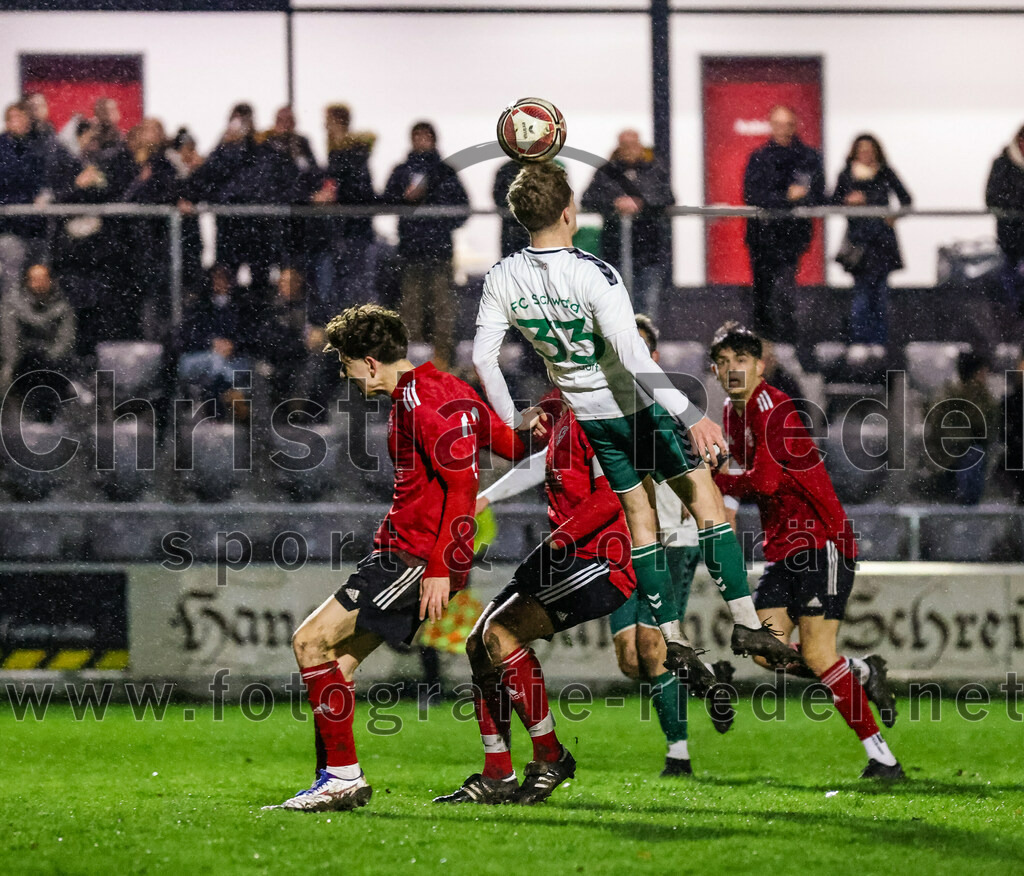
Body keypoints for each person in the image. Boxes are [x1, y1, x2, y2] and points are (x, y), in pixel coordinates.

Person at [473, 161, 801, 697]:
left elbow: (485, 359)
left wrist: (513, 416)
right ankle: (745, 623)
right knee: (705, 500)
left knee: (639, 522)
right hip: (631, 408)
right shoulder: (593, 272)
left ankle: (670, 634)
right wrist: (690, 415)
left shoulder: (503, 277)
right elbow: (633, 355)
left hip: (590, 417)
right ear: (568, 211)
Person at [265, 304, 527, 812]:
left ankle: (341, 778)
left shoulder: (415, 402)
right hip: (417, 555)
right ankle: (332, 779)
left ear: (368, 361)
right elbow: (512, 446)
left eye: (344, 364)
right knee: (336, 668)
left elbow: (461, 483)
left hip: (410, 557)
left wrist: (438, 568)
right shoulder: (451, 388)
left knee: (308, 642)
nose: (345, 375)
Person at [708, 321, 904, 779]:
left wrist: (711, 478)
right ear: (715, 370)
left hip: (822, 542)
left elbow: (765, 481)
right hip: (784, 549)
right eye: (722, 362)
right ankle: (858, 672)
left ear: (760, 365)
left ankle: (883, 759)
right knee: (763, 649)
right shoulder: (733, 414)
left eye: (741, 359)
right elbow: (745, 485)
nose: (732, 369)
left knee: (817, 654)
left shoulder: (772, 408)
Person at [434, 390, 636, 804]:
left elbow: (612, 493)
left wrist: (560, 539)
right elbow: (542, 466)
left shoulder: (601, 407)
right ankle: (497, 773)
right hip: (567, 551)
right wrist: (486, 497)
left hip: (601, 560)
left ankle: (550, 756)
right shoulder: (562, 404)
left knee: (502, 636)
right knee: (477, 644)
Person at [608, 315, 733, 779]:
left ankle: (678, 756)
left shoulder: (674, 406)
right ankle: (706, 679)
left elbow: (714, 457)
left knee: (653, 645)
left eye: (639, 351)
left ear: (653, 358)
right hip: (618, 547)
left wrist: (714, 506)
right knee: (631, 660)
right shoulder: (597, 405)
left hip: (672, 542)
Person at [382, 121, 469, 369]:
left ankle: (442, 361)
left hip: (438, 251)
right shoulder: (402, 171)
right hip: (412, 251)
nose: (421, 141)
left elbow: (463, 208)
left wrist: (437, 218)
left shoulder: (445, 172)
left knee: (442, 307)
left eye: (425, 136)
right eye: (417, 136)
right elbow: (386, 201)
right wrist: (405, 199)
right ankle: (412, 361)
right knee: (412, 307)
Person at [742, 106, 825, 344]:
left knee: (785, 293)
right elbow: (752, 196)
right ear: (771, 126)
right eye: (777, 124)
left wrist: (791, 199)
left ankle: (788, 346)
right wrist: (786, 198)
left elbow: (818, 195)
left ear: (795, 125)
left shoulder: (809, 157)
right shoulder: (759, 157)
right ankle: (765, 347)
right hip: (762, 236)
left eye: (787, 124)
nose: (783, 130)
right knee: (763, 293)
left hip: (792, 237)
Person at [580, 130, 674, 319]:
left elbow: (667, 197)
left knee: (647, 307)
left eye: (633, 145)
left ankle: (644, 346)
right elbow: (588, 199)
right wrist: (614, 202)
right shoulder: (606, 172)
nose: (629, 150)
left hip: (649, 250)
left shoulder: (655, 170)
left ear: (640, 146)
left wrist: (641, 202)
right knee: (616, 306)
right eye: (625, 145)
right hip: (615, 250)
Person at [831, 134, 912, 350]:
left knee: (880, 297)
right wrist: (847, 201)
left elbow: (906, 199)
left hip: (882, 242)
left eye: (869, 149)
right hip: (859, 243)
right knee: (861, 296)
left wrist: (892, 215)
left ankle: (878, 342)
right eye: (861, 149)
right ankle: (859, 341)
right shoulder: (846, 175)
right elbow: (832, 200)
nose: (866, 153)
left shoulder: (885, 173)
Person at [305, 104, 378, 323]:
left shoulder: (351, 154)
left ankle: (355, 337)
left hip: (352, 232)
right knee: (340, 292)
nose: (324, 125)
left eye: (327, 120)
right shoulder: (342, 154)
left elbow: (359, 190)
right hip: (341, 233)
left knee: (353, 292)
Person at [0, 264, 76, 422]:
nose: (39, 283)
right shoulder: (12, 305)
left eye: (43, 279)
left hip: (53, 365)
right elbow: (10, 339)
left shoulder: (62, 307)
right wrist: (17, 361)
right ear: (26, 282)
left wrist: (48, 358)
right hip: (21, 363)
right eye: (34, 279)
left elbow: (65, 340)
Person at [923, 350, 1000, 505]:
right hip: (949, 456)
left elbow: (990, 425)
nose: (985, 377)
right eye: (982, 372)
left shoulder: (983, 396)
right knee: (973, 457)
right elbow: (943, 428)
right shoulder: (950, 394)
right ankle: (965, 501)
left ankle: (967, 501)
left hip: (970, 453)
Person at [985, 124, 1024, 312]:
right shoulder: (1002, 164)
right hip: (1010, 235)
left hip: (1012, 233)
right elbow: (992, 197)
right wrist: (1016, 207)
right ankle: (1013, 316)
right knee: (1009, 278)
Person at [493, 159, 530, 257]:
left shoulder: (506, 170)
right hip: (512, 231)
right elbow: (499, 197)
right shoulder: (507, 170)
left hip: (513, 231)